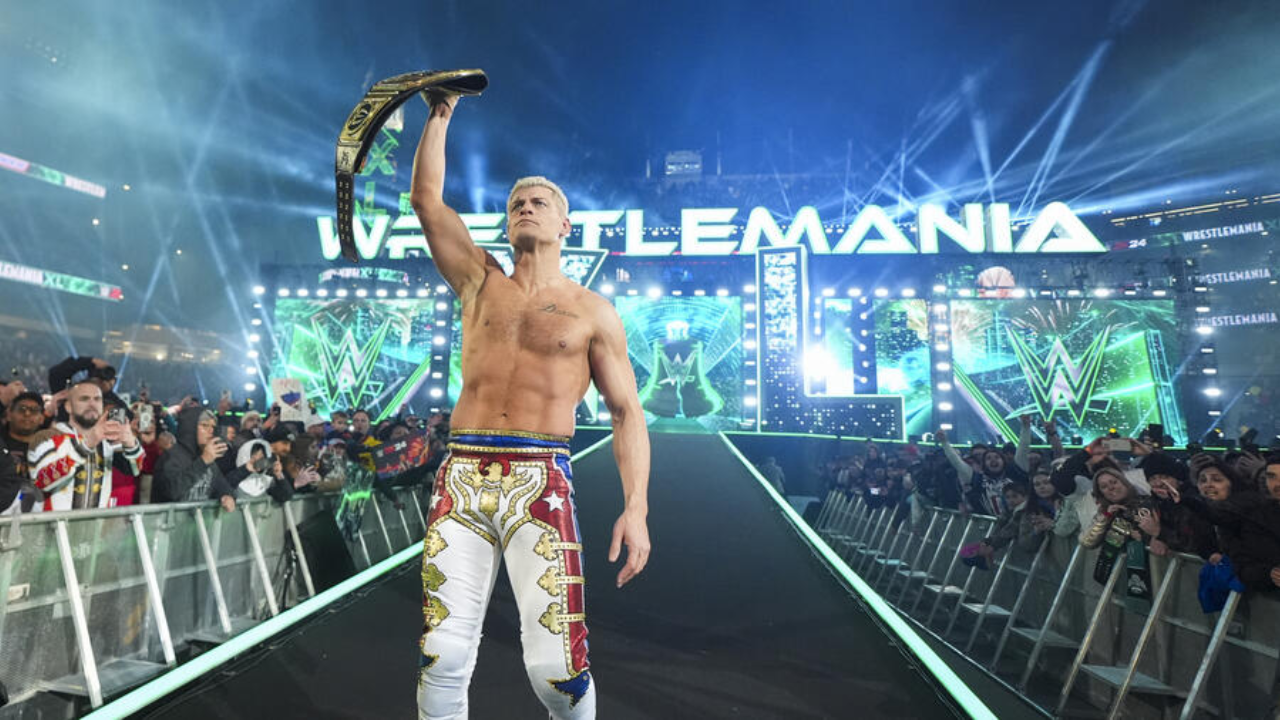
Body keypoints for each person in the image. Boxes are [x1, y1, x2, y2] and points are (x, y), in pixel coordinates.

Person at [408, 90, 650, 719]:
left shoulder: (593, 311)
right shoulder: (478, 281)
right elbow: (428, 203)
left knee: (556, 674)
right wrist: (441, 113)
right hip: (461, 477)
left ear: (565, 225)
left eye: (539, 201)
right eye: (516, 202)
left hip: (539, 481)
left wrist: (637, 508)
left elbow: (627, 413)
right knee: (442, 653)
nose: (525, 207)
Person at [29, 380, 143, 510]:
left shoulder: (107, 441)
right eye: (84, 399)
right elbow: (42, 482)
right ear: (68, 407)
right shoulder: (48, 437)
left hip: (95, 527)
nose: (92, 404)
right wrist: (87, 445)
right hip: (52, 527)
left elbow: (134, 470)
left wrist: (130, 443)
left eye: (97, 399)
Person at [151, 406, 236, 511]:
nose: (211, 431)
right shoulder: (171, 457)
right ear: (190, 427)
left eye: (213, 427)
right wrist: (203, 462)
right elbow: (172, 491)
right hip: (168, 525)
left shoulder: (207, 457)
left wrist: (227, 496)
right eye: (204, 425)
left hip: (197, 525)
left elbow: (222, 485)